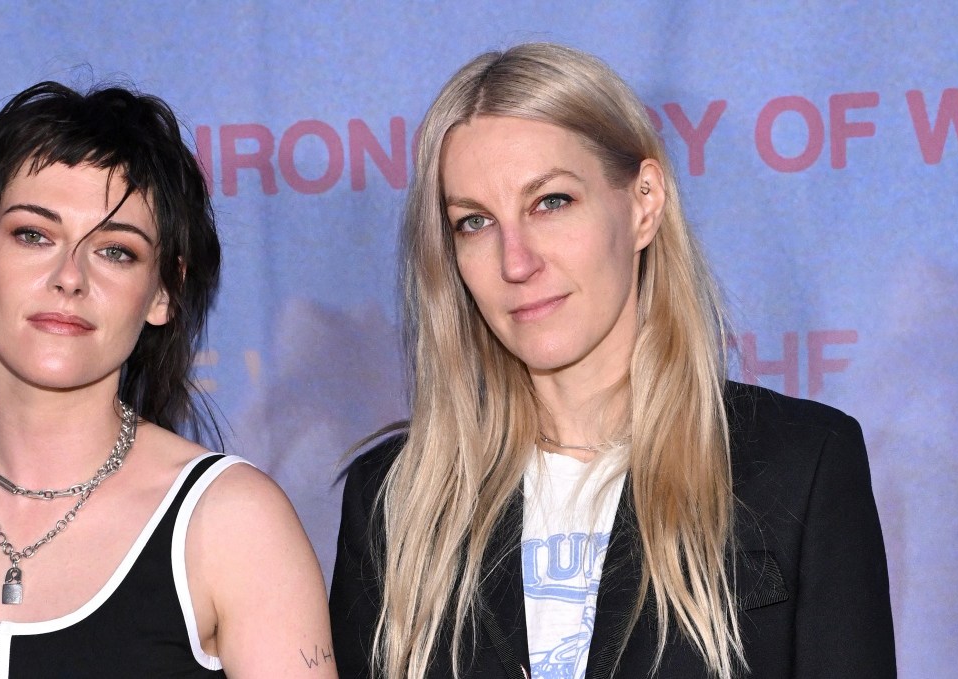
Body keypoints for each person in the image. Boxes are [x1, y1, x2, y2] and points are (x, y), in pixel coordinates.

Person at [329, 43, 894, 679]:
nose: (516, 261)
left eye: (551, 202)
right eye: (475, 222)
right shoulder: (396, 502)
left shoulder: (799, 466)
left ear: (644, 202)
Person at [0, 82, 336, 678]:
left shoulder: (233, 523)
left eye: (116, 251)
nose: (70, 277)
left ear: (163, 292)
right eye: (33, 235)